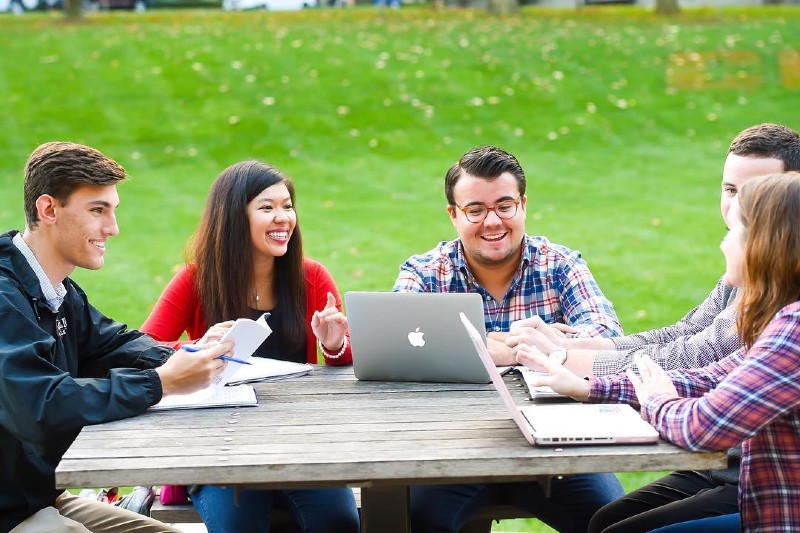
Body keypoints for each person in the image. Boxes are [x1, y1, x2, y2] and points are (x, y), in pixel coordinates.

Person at [505, 123, 800, 532]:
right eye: (729, 191)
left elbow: (703, 423)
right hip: (740, 469)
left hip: (762, 493)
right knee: (606, 522)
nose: (724, 236)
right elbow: (704, 372)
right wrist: (590, 383)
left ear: (772, 237)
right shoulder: (767, 302)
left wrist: (582, 363)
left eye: (740, 229)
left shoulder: (791, 327)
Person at [0, 142, 233, 533]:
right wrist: (162, 383)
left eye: (113, 210)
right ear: (48, 210)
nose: (112, 228)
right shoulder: (6, 299)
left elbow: (113, 345)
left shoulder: (59, 293)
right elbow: (43, 407)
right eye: (97, 210)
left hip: (41, 496)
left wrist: (192, 354)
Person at [394, 145, 624, 532]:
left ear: (523, 205)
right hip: (453, 449)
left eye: (504, 206)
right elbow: (398, 346)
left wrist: (470, 343)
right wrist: (527, 344)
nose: (492, 222)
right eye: (476, 210)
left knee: (616, 520)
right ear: (453, 215)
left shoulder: (560, 264)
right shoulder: (424, 273)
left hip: (558, 446)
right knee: (413, 519)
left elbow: (607, 336)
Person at [141, 160, 359, 533]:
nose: (283, 217)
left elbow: (347, 357)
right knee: (242, 522)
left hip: (299, 441)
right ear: (233, 217)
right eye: (267, 207)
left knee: (337, 519)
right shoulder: (194, 280)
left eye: (287, 206)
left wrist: (335, 342)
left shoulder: (311, 276)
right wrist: (199, 347)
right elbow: (141, 348)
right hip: (219, 444)